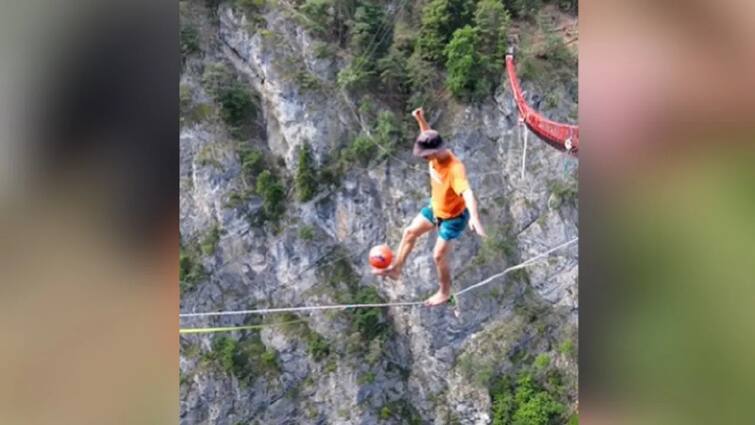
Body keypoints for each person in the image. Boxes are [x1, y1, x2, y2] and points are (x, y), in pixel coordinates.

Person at [373, 107, 486, 306]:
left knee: (438, 255)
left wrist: (475, 218)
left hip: (453, 217)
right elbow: (428, 135)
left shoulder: (454, 169)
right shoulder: (436, 150)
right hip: (436, 207)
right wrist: (421, 119)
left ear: (434, 152)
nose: (423, 158)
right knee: (409, 233)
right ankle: (397, 269)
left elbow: (467, 192)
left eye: (425, 155)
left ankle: (444, 292)